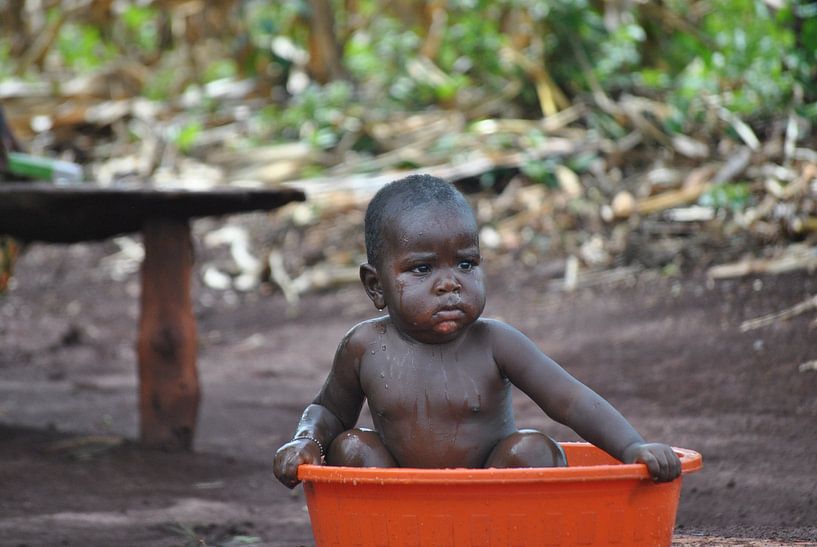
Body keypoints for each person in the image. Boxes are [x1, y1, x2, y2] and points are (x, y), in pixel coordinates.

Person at [273, 174, 681, 488]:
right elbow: (328, 411)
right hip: (399, 505)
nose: (450, 284)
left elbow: (571, 401)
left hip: (491, 499)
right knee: (349, 447)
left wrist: (632, 447)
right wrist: (305, 441)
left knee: (533, 449)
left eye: (465, 264)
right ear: (376, 286)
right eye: (422, 268)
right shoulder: (364, 347)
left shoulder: (495, 343)